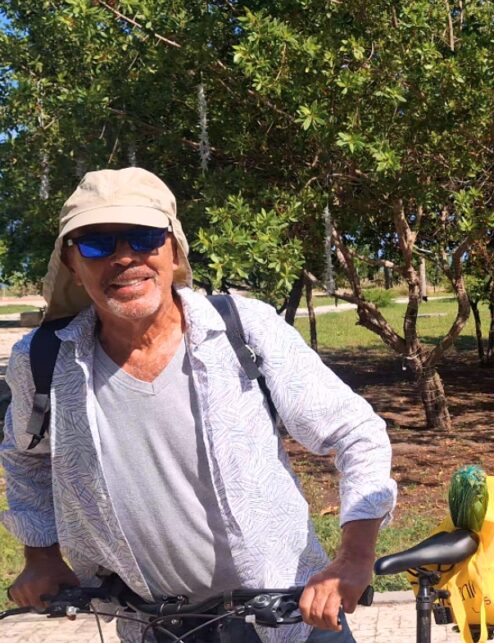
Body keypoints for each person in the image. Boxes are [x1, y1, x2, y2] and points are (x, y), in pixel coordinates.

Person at [1, 167, 397, 642]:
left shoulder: (243, 329)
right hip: (152, 625)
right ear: (71, 261)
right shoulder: (43, 359)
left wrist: (353, 559)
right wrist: (40, 555)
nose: (125, 258)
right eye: (96, 243)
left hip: (288, 619)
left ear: (173, 247)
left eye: (144, 237)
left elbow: (356, 433)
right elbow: (25, 459)